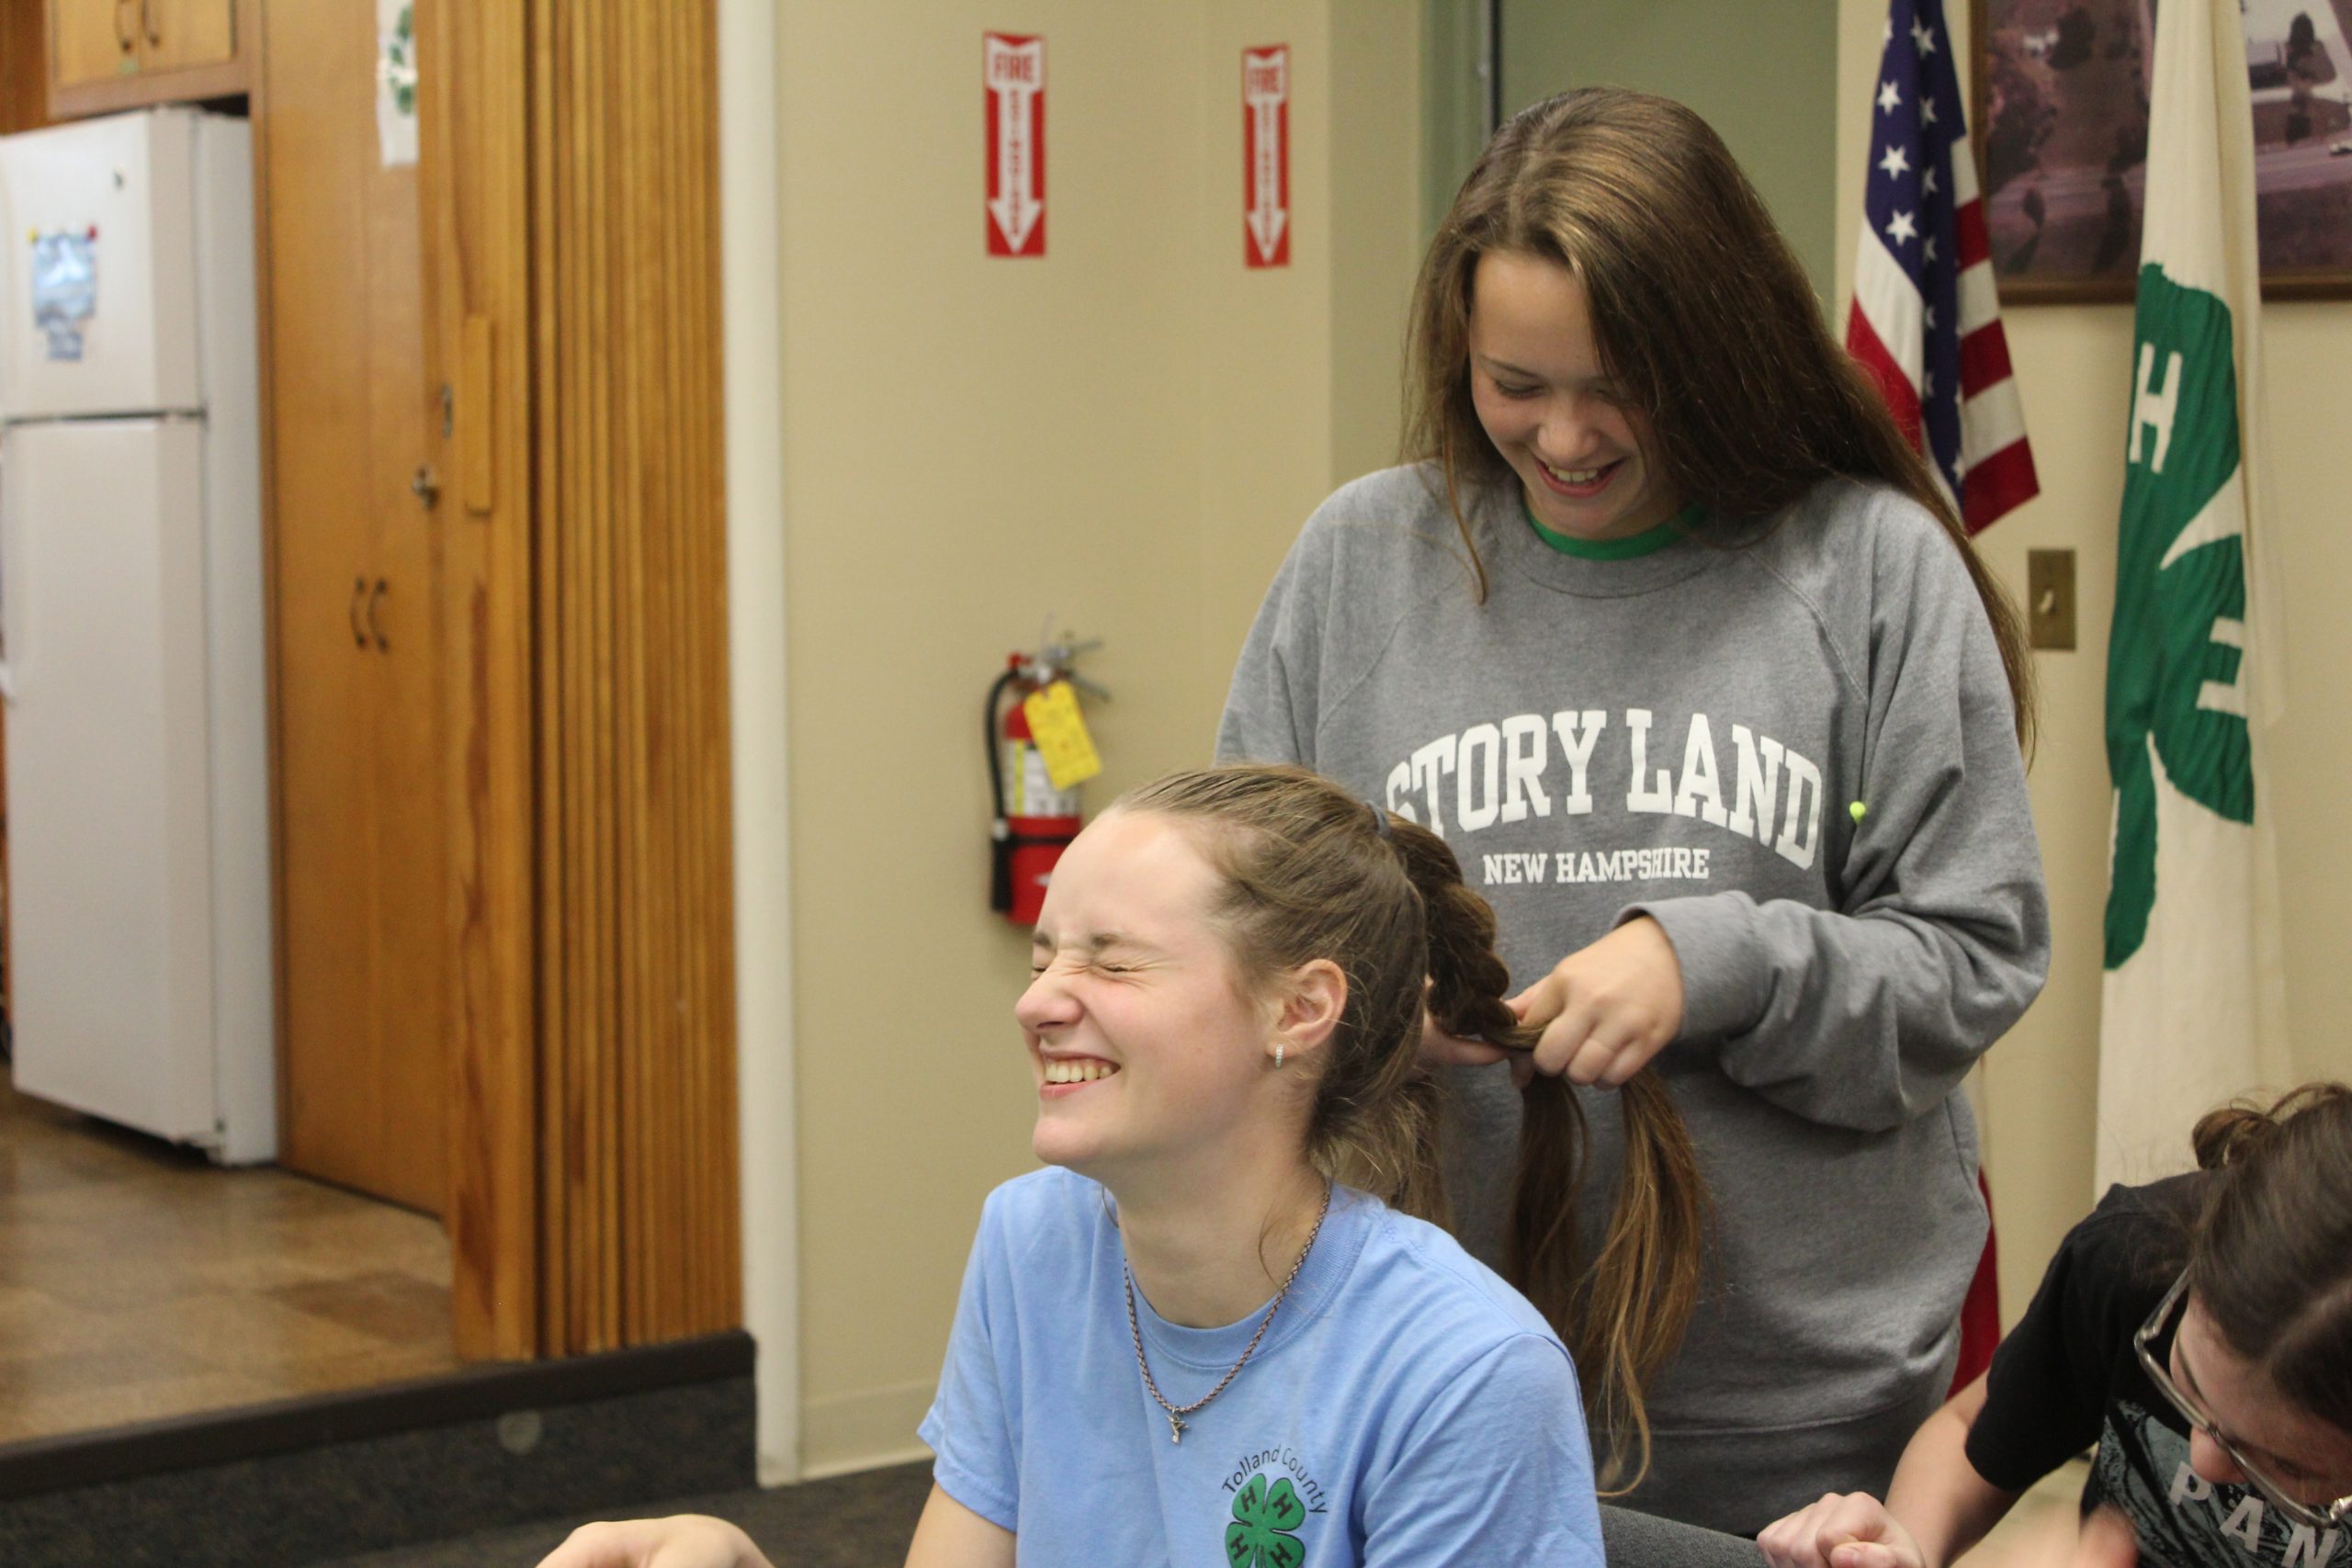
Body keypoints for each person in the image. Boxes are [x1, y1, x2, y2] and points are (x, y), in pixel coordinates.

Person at [1216, 86, 2051, 1531]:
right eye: (1514, 382)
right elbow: (1237, 919)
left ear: (1719, 347)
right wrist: (1353, 1010)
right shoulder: (1359, 560)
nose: (1567, 435)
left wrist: (1711, 962)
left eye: (1619, 382)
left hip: (1793, 1401)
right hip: (1435, 1364)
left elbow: (1972, 955)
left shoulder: (1869, 567)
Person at [540, 762, 1728, 1568]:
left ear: (1298, 1007)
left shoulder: (1464, 1369)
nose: (1039, 1000)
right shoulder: (1035, 1238)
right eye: (1048, 950)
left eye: (1111, 963)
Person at [1758, 1083, 2352, 1568]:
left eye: (2288, 1466)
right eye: (2189, 1384)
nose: (2203, 1458)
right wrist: (1907, 1546)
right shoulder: (2137, 1256)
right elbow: (1972, 1433)